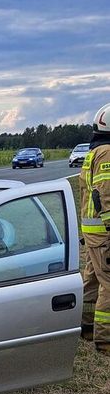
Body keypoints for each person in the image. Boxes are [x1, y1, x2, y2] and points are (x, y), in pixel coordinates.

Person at [79, 101, 110, 351]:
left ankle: (86, 326)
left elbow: (86, 195)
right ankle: (105, 339)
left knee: (91, 281)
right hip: (104, 232)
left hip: (92, 232)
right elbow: (106, 195)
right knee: (109, 283)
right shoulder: (108, 153)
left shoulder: (93, 153)